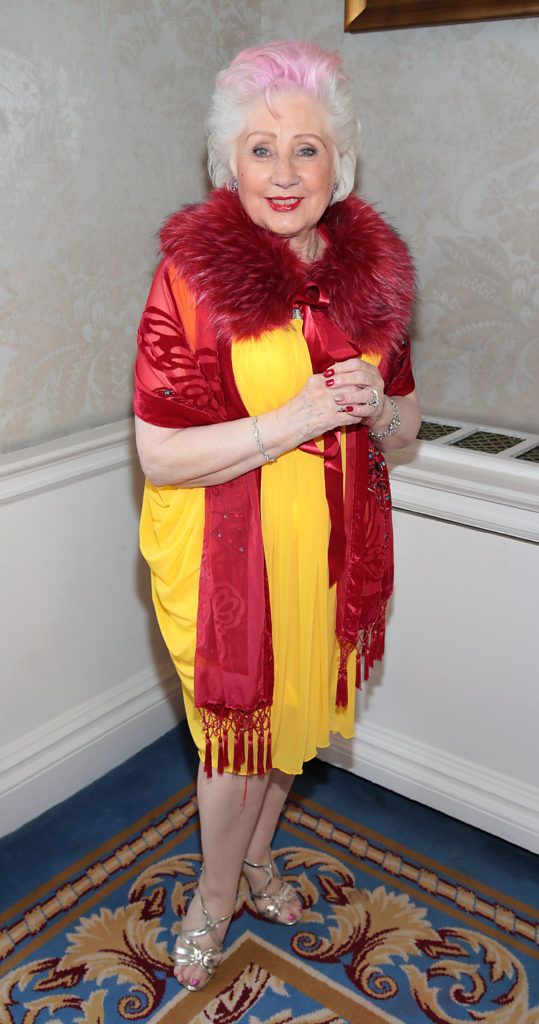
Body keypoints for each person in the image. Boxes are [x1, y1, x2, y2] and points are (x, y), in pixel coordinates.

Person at [133, 40, 420, 992]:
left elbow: (406, 426)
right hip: (227, 551)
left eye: (308, 148)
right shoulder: (192, 279)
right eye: (261, 148)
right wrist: (292, 418)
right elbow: (160, 453)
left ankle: (256, 858)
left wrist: (373, 408)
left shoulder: (371, 276)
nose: (285, 171)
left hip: (333, 545)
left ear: (341, 164)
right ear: (228, 164)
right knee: (234, 736)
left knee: (293, 721)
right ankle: (215, 896)